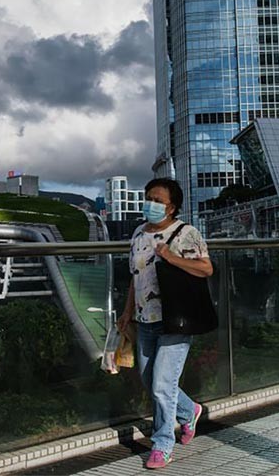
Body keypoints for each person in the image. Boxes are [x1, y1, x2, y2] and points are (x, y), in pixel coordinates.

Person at [117, 178, 213, 470]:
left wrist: (171, 257)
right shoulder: (137, 234)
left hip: (175, 320)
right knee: (150, 380)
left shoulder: (186, 233)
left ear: (172, 207)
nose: (151, 204)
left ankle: (162, 445)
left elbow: (206, 268)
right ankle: (190, 411)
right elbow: (137, 277)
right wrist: (126, 312)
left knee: (162, 384)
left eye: (158, 200)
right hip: (145, 320)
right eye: (148, 198)